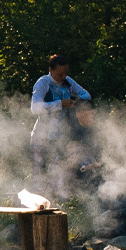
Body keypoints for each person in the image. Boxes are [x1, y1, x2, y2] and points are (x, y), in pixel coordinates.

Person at [29, 54, 92, 196]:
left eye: (65, 73)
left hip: (60, 137)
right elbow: (35, 108)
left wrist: (75, 101)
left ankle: (60, 203)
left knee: (59, 173)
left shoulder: (68, 81)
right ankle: (38, 203)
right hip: (42, 137)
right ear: (50, 70)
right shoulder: (43, 82)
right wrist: (60, 104)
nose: (63, 77)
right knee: (40, 173)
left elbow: (86, 95)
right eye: (59, 73)